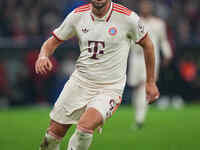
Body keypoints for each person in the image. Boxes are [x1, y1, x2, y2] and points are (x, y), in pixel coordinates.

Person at [35, 0, 160, 150]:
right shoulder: (77, 15)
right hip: (79, 83)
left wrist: (150, 82)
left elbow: (148, 45)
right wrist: (43, 56)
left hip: (109, 88)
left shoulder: (128, 18)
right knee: (52, 137)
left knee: (84, 129)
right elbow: (52, 42)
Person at [127, 0, 172, 128]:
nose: (145, 7)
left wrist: (167, 54)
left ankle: (140, 119)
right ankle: (138, 115)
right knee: (136, 88)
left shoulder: (158, 24)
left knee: (144, 86)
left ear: (151, 7)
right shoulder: (134, 21)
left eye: (148, 5)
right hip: (135, 58)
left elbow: (163, 41)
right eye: (143, 5)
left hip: (152, 58)